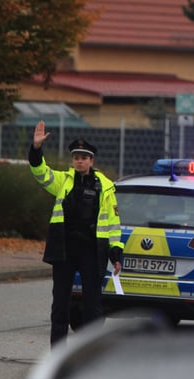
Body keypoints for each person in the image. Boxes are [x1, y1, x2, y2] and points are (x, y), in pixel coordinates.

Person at [29, 121, 124, 346]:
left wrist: (116, 253)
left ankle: (89, 352)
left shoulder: (106, 187)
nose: (79, 161)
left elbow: (113, 222)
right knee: (60, 304)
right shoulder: (63, 180)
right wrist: (36, 149)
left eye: (83, 158)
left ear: (91, 161)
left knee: (92, 306)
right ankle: (58, 354)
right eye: (76, 157)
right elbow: (40, 173)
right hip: (65, 250)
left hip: (92, 251)